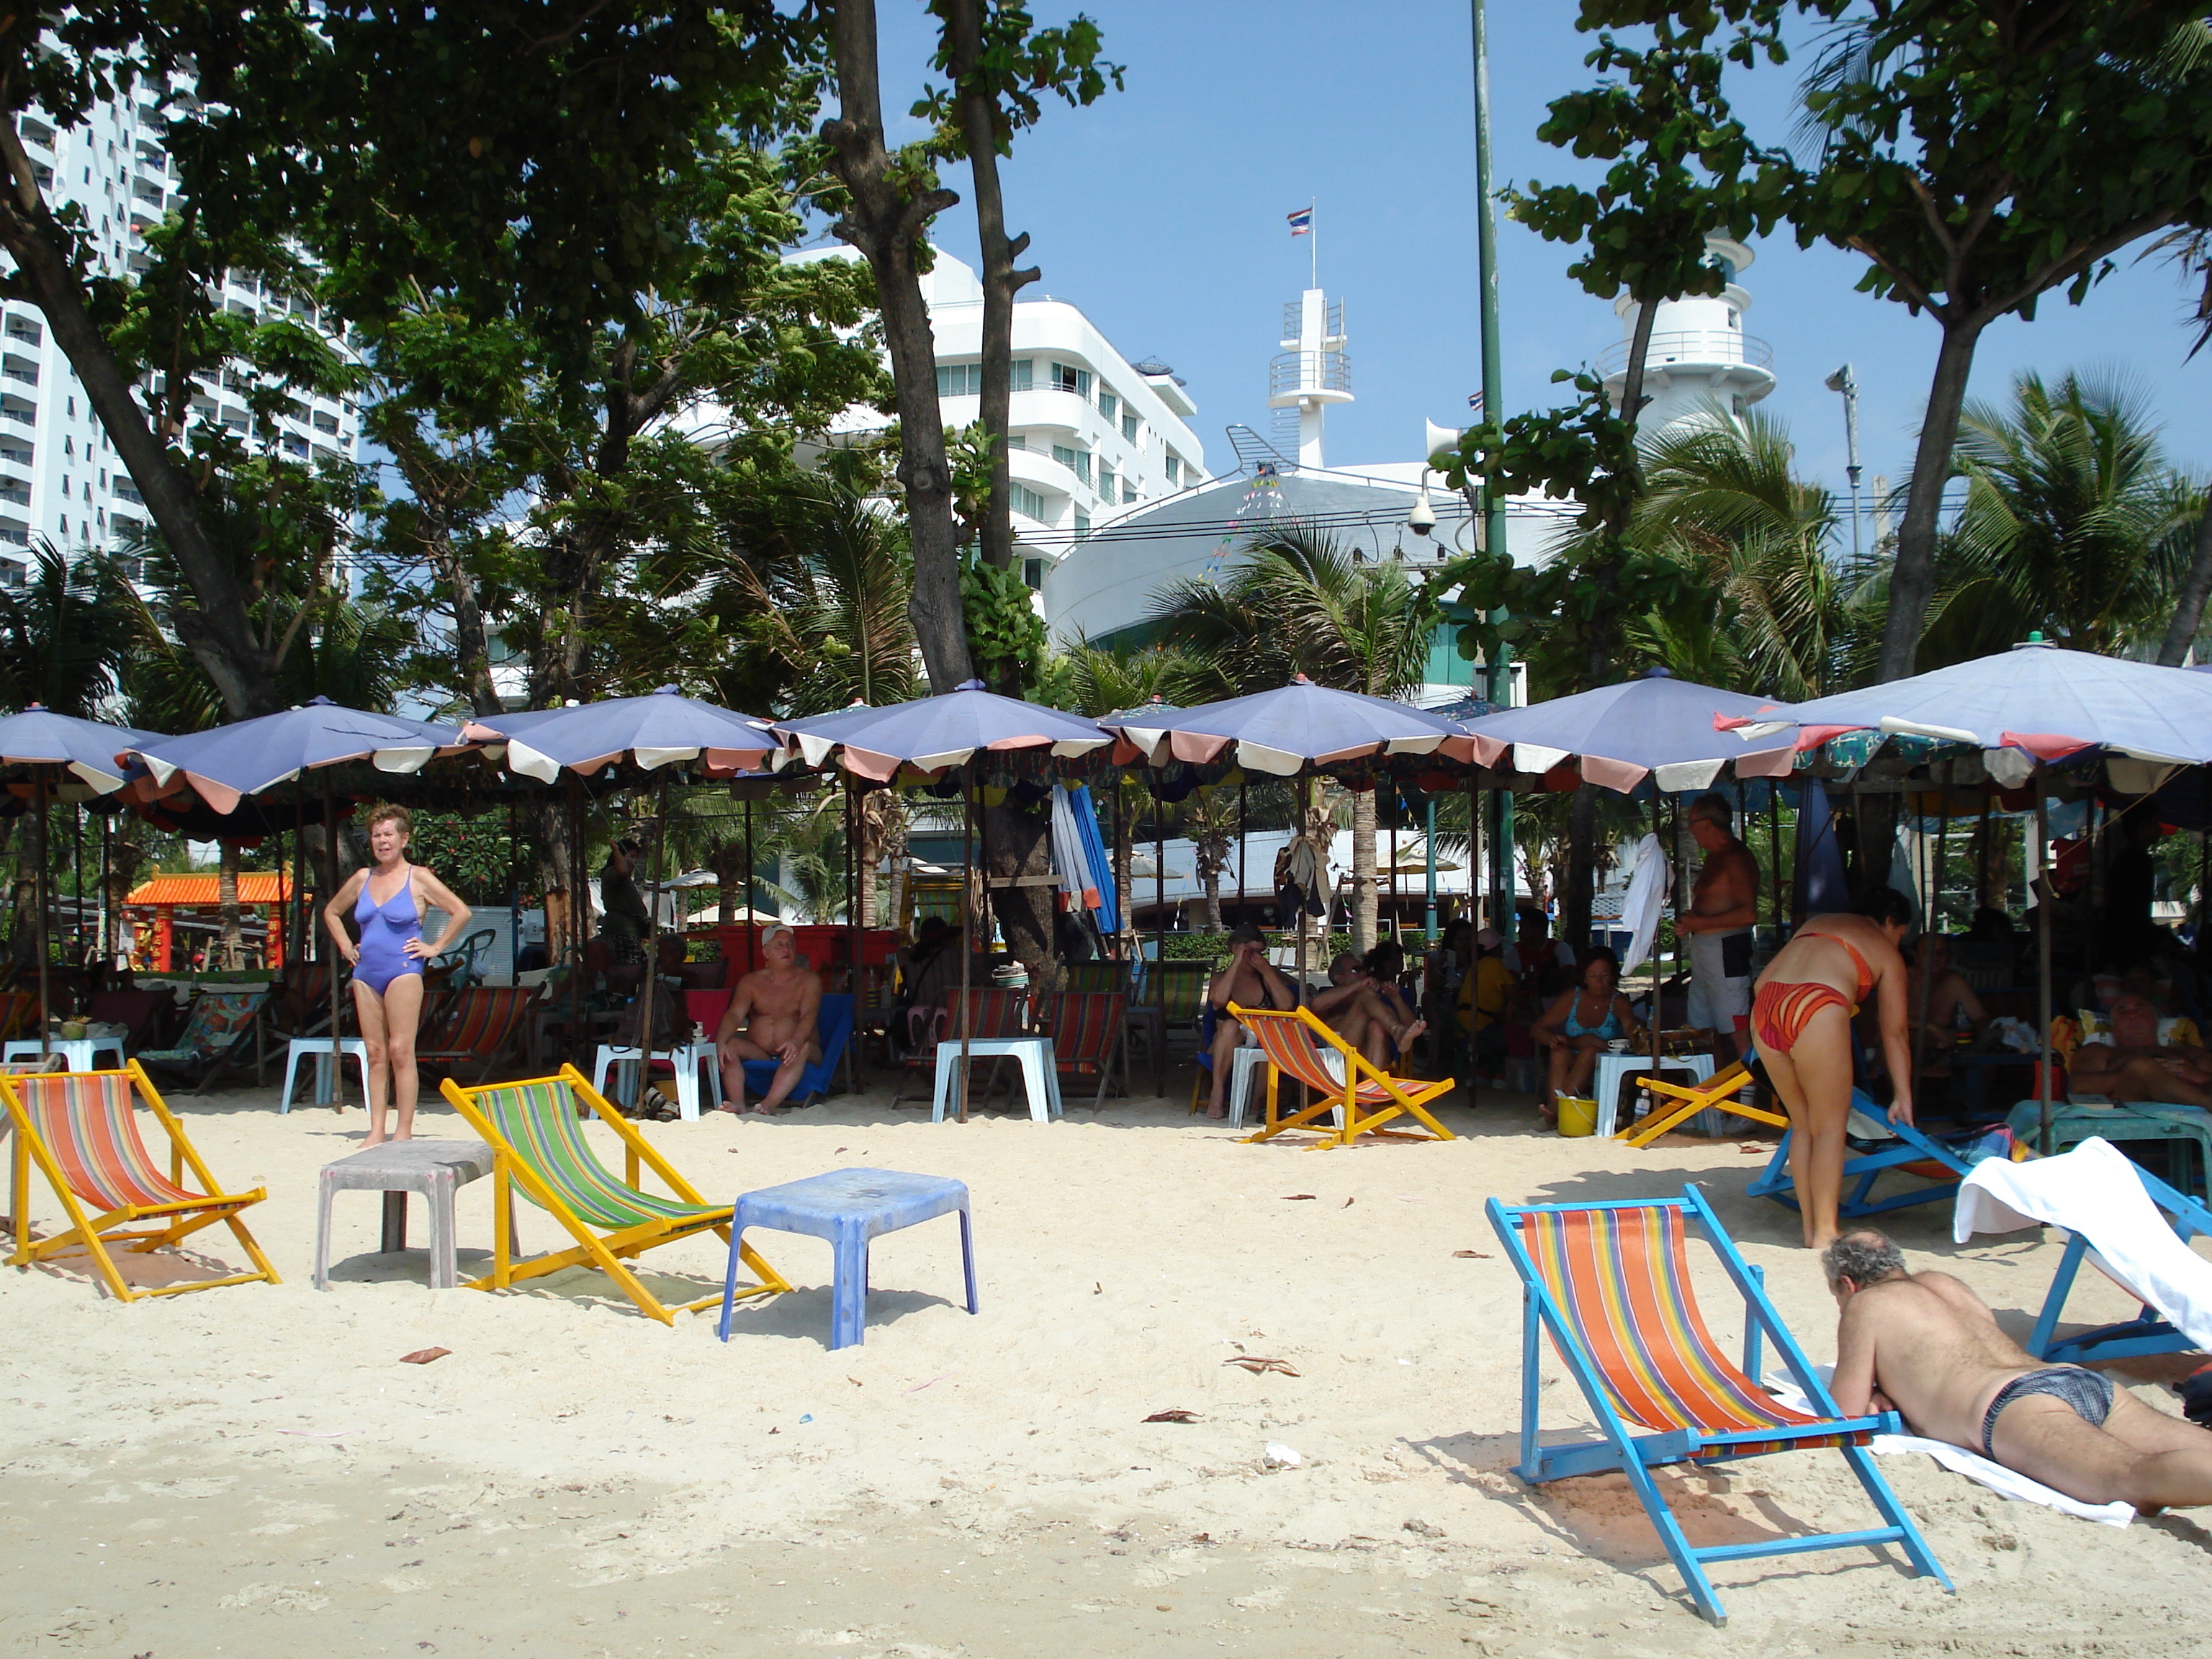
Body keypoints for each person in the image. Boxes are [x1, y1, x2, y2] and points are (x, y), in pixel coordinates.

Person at [1825, 1228, 2212, 1510]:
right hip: (2072, 1380)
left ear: (1847, 1284)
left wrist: (1879, 1390)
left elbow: (1845, 1411)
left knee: (2133, 1476)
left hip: (2013, 1406)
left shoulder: (1867, 1305)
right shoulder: (1943, 1283)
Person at [1750, 886, 1915, 1250]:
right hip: (1817, 1002)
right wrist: (1903, 1095)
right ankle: (1826, 1234)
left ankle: (1811, 1229)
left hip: (1767, 1004)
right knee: (1830, 1129)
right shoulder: (1885, 950)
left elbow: (1763, 979)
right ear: (1889, 922)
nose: (1898, 942)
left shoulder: (1817, 923)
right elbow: (1896, 1031)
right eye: (1900, 934)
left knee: (1804, 1124)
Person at [322, 804, 473, 1146]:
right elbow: (331, 912)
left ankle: (403, 1130)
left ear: (404, 838)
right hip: (365, 972)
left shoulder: (418, 878)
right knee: (374, 1052)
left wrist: (435, 947)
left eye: (388, 834)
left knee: (401, 1050)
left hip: (404, 970)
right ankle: (376, 1129)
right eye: (376, 835)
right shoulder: (363, 877)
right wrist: (346, 945)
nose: (382, 841)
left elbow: (460, 911)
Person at [1676, 793, 1761, 1064]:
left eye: (1692, 822)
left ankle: (1747, 1099)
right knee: (1704, 1029)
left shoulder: (1737, 858)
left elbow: (1748, 914)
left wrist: (1698, 923)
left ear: (1709, 825)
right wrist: (1692, 922)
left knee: (1736, 1030)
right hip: (1706, 952)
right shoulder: (1714, 858)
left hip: (1727, 950)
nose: (1689, 829)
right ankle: (1712, 1102)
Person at [714, 923, 823, 1115]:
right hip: (761, 1051)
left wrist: (796, 1041)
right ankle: (738, 1103)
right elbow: (735, 1014)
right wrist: (721, 1040)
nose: (786, 949)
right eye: (779, 945)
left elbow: (809, 1015)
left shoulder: (809, 980)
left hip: (801, 1049)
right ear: (766, 952)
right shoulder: (751, 981)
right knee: (730, 1045)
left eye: (790, 944)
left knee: (803, 1047)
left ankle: (769, 1103)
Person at [1532, 946, 1640, 1125]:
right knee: (1559, 1052)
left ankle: (1554, 1111)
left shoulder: (1618, 1002)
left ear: (1613, 976)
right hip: (1572, 1056)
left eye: (1604, 975)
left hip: (1602, 1062)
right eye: (1592, 976)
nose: (1598, 981)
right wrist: (1551, 1039)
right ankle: (1557, 1108)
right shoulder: (1573, 998)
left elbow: (1632, 1032)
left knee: (1589, 1051)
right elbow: (1538, 1028)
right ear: (1584, 977)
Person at [1202, 923, 1297, 1120]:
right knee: (1229, 1027)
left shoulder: (1266, 976)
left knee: (1268, 1039)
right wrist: (1237, 962)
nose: (1255, 957)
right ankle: (1217, 1094)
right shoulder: (1221, 978)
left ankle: (1255, 1106)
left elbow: (1287, 1006)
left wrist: (1267, 971)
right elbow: (1218, 1001)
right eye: (1250, 952)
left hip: (1264, 1037)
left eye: (1259, 952)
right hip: (1228, 1042)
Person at [2065, 991, 2212, 1109]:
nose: (2132, 1015)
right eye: (2123, 1012)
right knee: (2141, 1066)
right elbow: (2079, 1086)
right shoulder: (2100, 1051)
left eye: (2139, 1009)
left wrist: (2191, 1073)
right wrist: (2147, 1073)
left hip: (2188, 1106)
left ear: (2155, 1020)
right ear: (2113, 1026)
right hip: (2133, 1106)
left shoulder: (2189, 1052)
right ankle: (2206, 1103)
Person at [1307, 948, 1426, 1070]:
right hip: (1333, 1055)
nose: (1363, 974)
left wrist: (1396, 999)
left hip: (1367, 1054)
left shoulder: (1377, 996)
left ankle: (1372, 1085)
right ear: (1339, 978)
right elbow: (1315, 1005)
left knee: (1376, 1026)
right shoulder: (1330, 995)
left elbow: (1414, 1026)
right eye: (1356, 970)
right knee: (1365, 997)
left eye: (1363, 969)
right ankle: (1396, 1030)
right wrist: (1360, 986)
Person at [1905, 933, 1988, 1075]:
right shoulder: (1903, 978)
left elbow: (1982, 1019)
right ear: (1916, 956)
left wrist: (1965, 1036)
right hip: (1905, 1051)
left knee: (1987, 1058)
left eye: (1941, 953)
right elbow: (1887, 1019)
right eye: (1928, 953)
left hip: (1945, 1051)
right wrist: (1933, 1028)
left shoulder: (1953, 981)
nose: (1935, 958)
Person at [1455, 926, 1516, 1086]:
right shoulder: (1495, 965)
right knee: (1512, 1037)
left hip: (1461, 1027)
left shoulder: (1475, 966)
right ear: (1496, 948)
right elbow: (1513, 995)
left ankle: (1483, 1073)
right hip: (1479, 1028)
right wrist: (1533, 1012)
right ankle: (1501, 1077)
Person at [597, 839, 651, 988]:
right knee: (628, 971)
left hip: (632, 932)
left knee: (639, 970)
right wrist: (615, 849)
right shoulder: (611, 873)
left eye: (635, 858)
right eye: (630, 857)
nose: (633, 862)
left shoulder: (627, 880)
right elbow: (622, 871)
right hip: (621, 933)